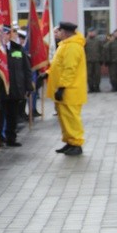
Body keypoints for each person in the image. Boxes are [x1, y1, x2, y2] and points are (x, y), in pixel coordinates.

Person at [47, 21, 87, 156]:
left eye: (59, 31)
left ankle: (76, 143)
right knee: (65, 118)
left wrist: (62, 87)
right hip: (65, 89)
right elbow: (58, 66)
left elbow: (69, 69)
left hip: (70, 90)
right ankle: (70, 142)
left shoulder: (73, 46)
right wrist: (46, 74)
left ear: (64, 32)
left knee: (71, 118)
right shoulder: (65, 45)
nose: (57, 34)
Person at [0, 26, 33, 147]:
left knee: (12, 115)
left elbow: (26, 69)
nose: (5, 36)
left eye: (7, 34)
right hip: (1, 89)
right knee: (0, 115)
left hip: (15, 88)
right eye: (3, 34)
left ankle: (11, 138)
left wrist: (28, 86)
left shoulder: (17, 49)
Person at [84, 28, 103, 93]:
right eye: (90, 32)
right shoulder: (85, 41)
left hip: (97, 60)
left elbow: (102, 50)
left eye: (93, 32)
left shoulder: (98, 41)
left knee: (97, 75)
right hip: (88, 60)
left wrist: (101, 59)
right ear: (88, 33)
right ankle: (91, 87)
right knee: (89, 75)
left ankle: (97, 87)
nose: (91, 33)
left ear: (95, 33)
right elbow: (83, 51)